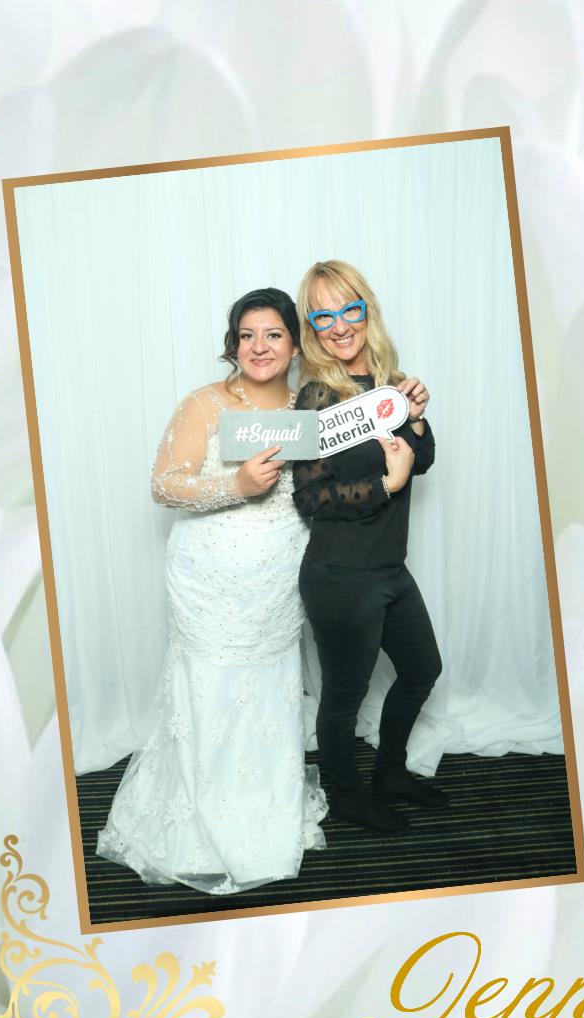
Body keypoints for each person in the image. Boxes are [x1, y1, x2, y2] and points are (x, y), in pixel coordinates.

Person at [95, 288, 327, 892]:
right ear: (233, 345)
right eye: (247, 335)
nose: (259, 347)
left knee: (270, 683)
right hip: (209, 580)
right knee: (209, 684)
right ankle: (198, 809)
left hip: (279, 578)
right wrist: (237, 485)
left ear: (294, 344)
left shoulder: (312, 407)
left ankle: (264, 800)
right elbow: (163, 486)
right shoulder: (205, 404)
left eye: (273, 335)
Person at [291, 260, 442, 835]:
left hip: (389, 568)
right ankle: (348, 795)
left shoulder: (386, 384)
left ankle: (390, 772)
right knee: (344, 695)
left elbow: (420, 461)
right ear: (311, 327)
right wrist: (386, 484)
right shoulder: (314, 399)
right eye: (322, 316)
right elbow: (310, 496)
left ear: (367, 309)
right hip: (341, 574)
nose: (339, 326)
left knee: (422, 669)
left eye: (348, 309)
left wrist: (417, 422)